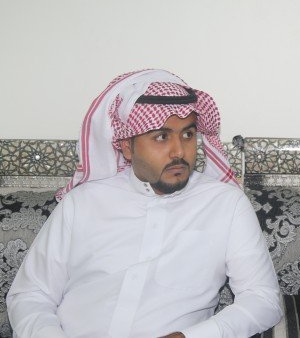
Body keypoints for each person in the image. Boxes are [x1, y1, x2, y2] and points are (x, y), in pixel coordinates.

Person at [8, 69, 282, 338]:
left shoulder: (225, 204)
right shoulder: (82, 203)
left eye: (188, 135)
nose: (179, 151)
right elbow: (31, 295)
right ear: (127, 146)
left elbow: (263, 299)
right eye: (161, 137)